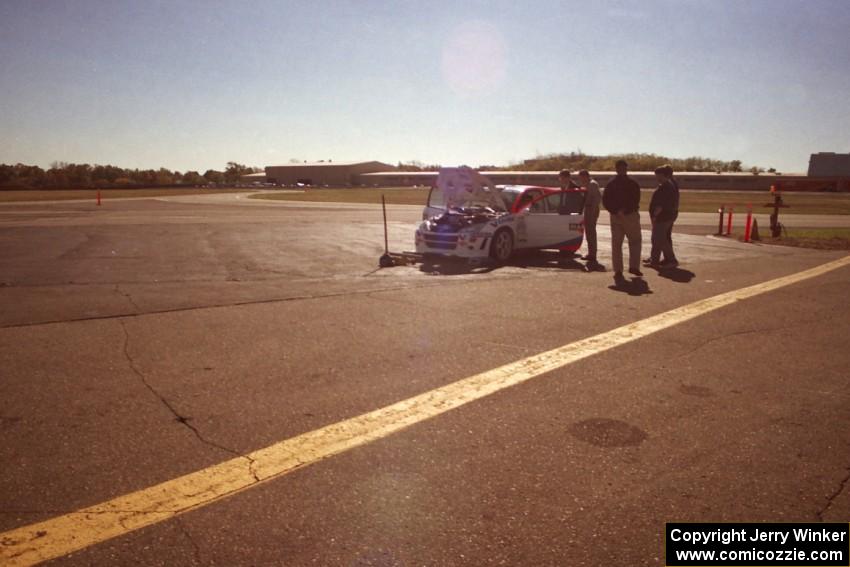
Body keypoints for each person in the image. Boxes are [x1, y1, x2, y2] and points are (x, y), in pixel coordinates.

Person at [602, 159, 642, 282]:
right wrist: (624, 210)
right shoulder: (632, 183)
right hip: (630, 216)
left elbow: (605, 201)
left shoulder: (611, 183)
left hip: (616, 216)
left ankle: (618, 269)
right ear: (626, 168)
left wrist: (615, 211)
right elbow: (635, 199)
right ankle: (634, 266)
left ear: (616, 169)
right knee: (635, 241)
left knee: (616, 244)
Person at [646, 164, 679, 268]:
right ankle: (660, 259)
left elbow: (660, 205)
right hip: (667, 216)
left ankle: (667, 260)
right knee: (662, 238)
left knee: (658, 239)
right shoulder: (668, 185)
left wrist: (655, 216)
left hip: (663, 217)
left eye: (658, 176)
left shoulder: (666, 187)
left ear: (663, 175)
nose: (657, 178)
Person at [578, 169, 602, 269]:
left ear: (586, 176)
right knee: (589, 232)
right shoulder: (588, 184)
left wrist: (592, 213)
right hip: (588, 209)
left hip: (592, 210)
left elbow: (596, 200)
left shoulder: (592, 184)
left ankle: (593, 254)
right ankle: (591, 253)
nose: (581, 179)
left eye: (582, 177)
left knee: (591, 232)